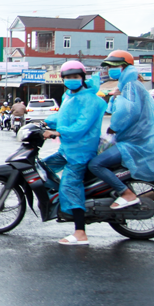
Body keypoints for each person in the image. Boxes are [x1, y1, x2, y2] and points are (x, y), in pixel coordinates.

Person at [88, 50, 154, 209]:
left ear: (124, 67)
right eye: (109, 66)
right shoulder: (127, 85)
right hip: (133, 141)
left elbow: (127, 112)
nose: (111, 69)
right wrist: (117, 96)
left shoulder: (130, 85)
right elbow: (115, 109)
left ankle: (126, 193)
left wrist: (113, 128)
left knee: (95, 164)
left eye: (114, 66)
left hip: (135, 144)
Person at [41, 61, 106, 245]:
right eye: (68, 77)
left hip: (82, 151)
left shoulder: (91, 100)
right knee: (43, 167)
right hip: (67, 149)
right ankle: (58, 202)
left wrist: (58, 132)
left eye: (75, 77)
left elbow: (81, 125)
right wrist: (45, 123)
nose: (71, 80)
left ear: (83, 78)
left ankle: (80, 232)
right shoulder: (68, 95)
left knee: (70, 186)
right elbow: (62, 117)